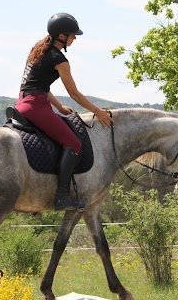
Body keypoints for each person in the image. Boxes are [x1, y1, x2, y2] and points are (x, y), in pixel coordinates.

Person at [15, 12, 113, 211]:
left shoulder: (38, 49)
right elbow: (74, 94)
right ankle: (62, 197)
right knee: (74, 143)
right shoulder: (59, 59)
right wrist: (98, 112)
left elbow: (39, 85)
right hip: (36, 106)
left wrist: (59, 107)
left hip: (23, 102)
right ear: (61, 36)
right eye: (72, 34)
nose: (75, 38)